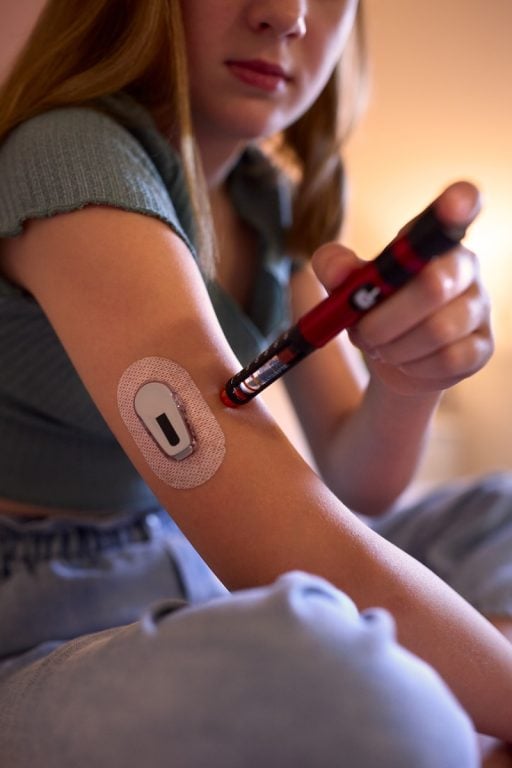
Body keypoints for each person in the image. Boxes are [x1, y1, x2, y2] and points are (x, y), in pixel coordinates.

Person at [0, 1, 511, 765]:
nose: (287, 14)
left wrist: (408, 383)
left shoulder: (266, 201)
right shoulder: (72, 159)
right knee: (343, 686)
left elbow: (358, 481)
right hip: (35, 620)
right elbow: (279, 539)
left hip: (187, 563)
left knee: (500, 510)